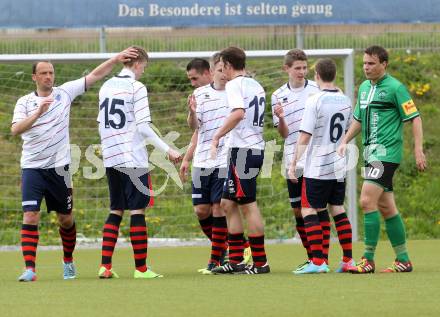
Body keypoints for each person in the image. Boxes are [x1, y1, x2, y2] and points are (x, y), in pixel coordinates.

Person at [11, 47, 139, 282]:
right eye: (43, 73)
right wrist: (38, 113)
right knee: (30, 215)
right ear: (34, 77)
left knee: (65, 219)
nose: (48, 76)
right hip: (32, 167)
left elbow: (95, 76)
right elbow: (15, 129)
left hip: (60, 169)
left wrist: (114, 58)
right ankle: (30, 268)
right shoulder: (25, 102)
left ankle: (68, 261)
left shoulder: (65, 93)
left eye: (51, 72)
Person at [338, 45, 426, 273]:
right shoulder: (365, 88)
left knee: (366, 201)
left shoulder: (396, 88)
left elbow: (415, 118)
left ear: (384, 64)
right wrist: (345, 140)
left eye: (371, 63)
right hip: (370, 153)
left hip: (386, 153)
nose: (366, 67)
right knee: (387, 207)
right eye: (364, 63)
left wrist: (418, 149)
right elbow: (358, 119)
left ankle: (367, 259)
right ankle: (403, 259)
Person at [97, 46, 181, 279]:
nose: (143, 71)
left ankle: (105, 266)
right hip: (133, 158)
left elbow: (100, 123)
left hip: (111, 156)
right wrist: (168, 149)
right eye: (143, 67)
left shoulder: (106, 86)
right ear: (137, 64)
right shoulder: (137, 87)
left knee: (115, 209)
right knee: (137, 210)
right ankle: (141, 269)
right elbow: (143, 127)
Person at [288, 58, 353, 274]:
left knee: (308, 208)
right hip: (338, 164)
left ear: (316, 76)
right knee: (337, 209)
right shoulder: (345, 100)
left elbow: (305, 136)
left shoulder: (314, 100)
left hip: (317, 165)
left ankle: (317, 262)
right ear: (334, 75)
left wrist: (293, 163)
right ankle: (347, 260)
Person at [210, 47, 269, 274]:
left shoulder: (234, 85)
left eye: (221, 65)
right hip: (243, 150)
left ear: (226, 64)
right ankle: (235, 261)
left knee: (248, 205)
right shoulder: (255, 84)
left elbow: (238, 113)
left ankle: (261, 263)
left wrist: (217, 136)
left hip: (245, 151)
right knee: (227, 203)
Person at [179, 54, 230, 274]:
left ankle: (215, 260)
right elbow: (195, 128)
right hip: (202, 161)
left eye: (224, 70)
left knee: (218, 207)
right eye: (219, 70)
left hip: (223, 158)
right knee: (201, 210)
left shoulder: (234, 94)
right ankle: (228, 247)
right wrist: (191, 111)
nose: (222, 73)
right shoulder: (200, 94)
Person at [271, 49, 320, 272]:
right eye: (297, 68)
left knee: (317, 207)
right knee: (298, 210)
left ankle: (321, 258)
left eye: (304, 67)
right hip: (292, 157)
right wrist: (280, 117)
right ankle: (311, 257)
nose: (301, 72)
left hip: (317, 155)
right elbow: (283, 134)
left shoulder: (317, 90)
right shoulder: (278, 95)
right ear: (287, 69)